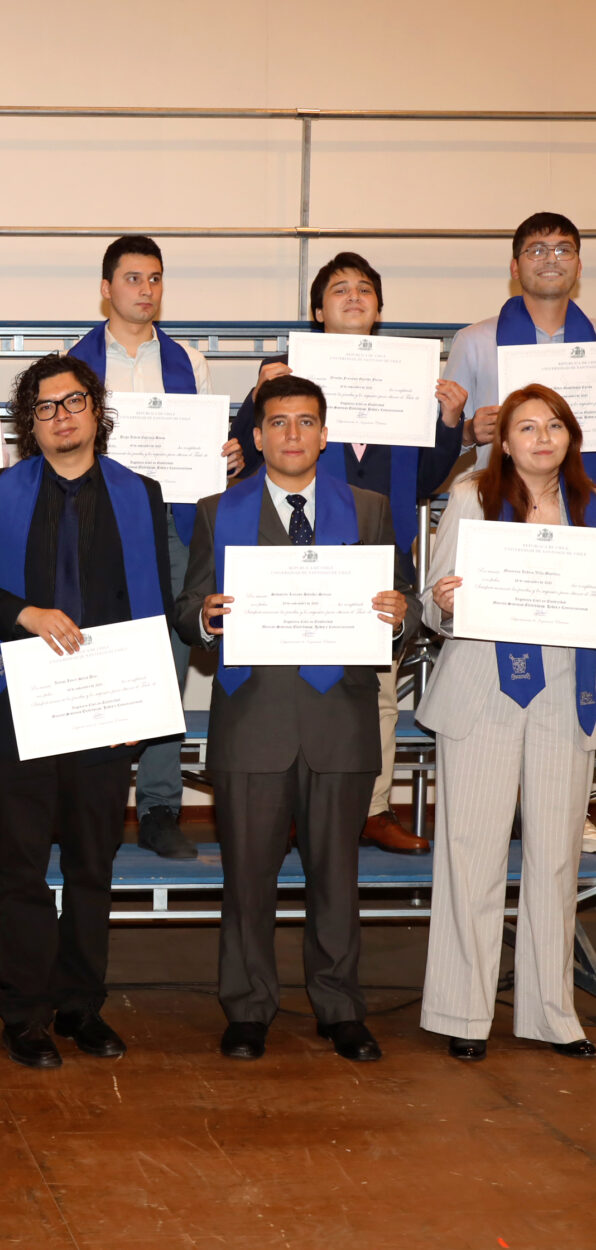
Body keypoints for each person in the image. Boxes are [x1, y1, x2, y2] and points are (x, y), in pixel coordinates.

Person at [175, 374, 417, 1063]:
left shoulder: (368, 509)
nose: (292, 434)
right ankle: (248, 1008)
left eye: (305, 422)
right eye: (278, 422)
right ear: (256, 436)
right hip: (254, 718)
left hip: (340, 719)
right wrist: (204, 618)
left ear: (324, 434)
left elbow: (401, 598)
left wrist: (401, 615)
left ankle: (340, 1008)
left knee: (336, 879)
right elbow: (187, 607)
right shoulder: (217, 511)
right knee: (247, 879)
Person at [0, 353, 173, 1069]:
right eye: (44, 407)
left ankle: (81, 1008)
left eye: (73, 401)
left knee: (90, 870)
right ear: (29, 423)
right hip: (18, 707)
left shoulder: (140, 494)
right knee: (19, 872)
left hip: (107, 709)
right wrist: (26, 614)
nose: (61, 416)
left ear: (95, 408)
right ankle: (25, 1014)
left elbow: (155, 604)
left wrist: (142, 704)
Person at [229, 252, 469, 855]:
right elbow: (243, 457)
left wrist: (448, 422)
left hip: (374, 557)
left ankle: (373, 808)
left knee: (377, 691)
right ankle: (292, 808)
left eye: (365, 289)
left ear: (379, 308)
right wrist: (257, 395)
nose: (354, 297)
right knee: (283, 684)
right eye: (340, 289)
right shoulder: (283, 379)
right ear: (317, 310)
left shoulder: (407, 382)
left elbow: (424, 481)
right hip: (291, 558)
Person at [417, 384, 596, 1061]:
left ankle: (553, 1015)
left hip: (567, 694)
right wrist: (444, 602)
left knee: (556, 858)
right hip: (482, 690)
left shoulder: (591, 508)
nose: (542, 437)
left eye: (554, 425)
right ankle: (462, 1011)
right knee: (471, 851)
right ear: (505, 439)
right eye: (527, 426)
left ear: (571, 436)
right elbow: (432, 606)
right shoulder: (471, 497)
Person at [68, 235, 243, 860]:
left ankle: (161, 806)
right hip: (96, 521)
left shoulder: (189, 361)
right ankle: (92, 800)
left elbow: (207, 443)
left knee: (170, 654)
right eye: (133, 278)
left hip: (172, 520)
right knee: (94, 652)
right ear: (106, 288)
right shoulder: (74, 362)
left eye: (155, 278)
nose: (146, 289)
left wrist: (226, 454)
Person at [446, 212, 590, 473]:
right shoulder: (473, 341)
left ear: (579, 267)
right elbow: (435, 449)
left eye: (563, 250)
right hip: (500, 493)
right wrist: (468, 432)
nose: (551, 259)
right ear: (514, 268)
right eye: (537, 250)